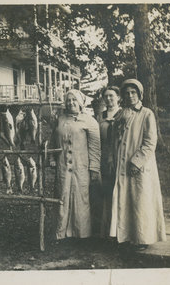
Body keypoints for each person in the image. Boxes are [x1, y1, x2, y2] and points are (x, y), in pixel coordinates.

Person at [110, 79, 166, 250]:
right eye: (127, 93)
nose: (130, 95)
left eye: (133, 92)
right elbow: (114, 138)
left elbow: (150, 142)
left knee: (141, 200)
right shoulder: (121, 113)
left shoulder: (146, 114)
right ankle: (126, 235)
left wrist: (137, 161)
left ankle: (143, 238)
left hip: (140, 165)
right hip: (121, 162)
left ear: (139, 94)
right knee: (124, 199)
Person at [49, 89, 101, 241]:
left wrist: (94, 168)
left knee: (81, 198)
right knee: (62, 195)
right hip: (63, 165)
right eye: (68, 101)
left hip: (81, 166)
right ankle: (61, 233)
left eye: (74, 100)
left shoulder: (90, 121)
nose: (71, 103)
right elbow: (53, 140)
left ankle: (81, 233)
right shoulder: (60, 119)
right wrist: (52, 157)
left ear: (80, 103)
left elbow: (95, 148)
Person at [98, 86, 122, 238]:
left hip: (119, 155)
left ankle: (120, 229)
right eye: (106, 96)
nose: (109, 99)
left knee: (119, 191)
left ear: (118, 98)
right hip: (104, 155)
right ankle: (106, 230)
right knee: (106, 191)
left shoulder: (123, 113)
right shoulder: (101, 115)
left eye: (112, 96)